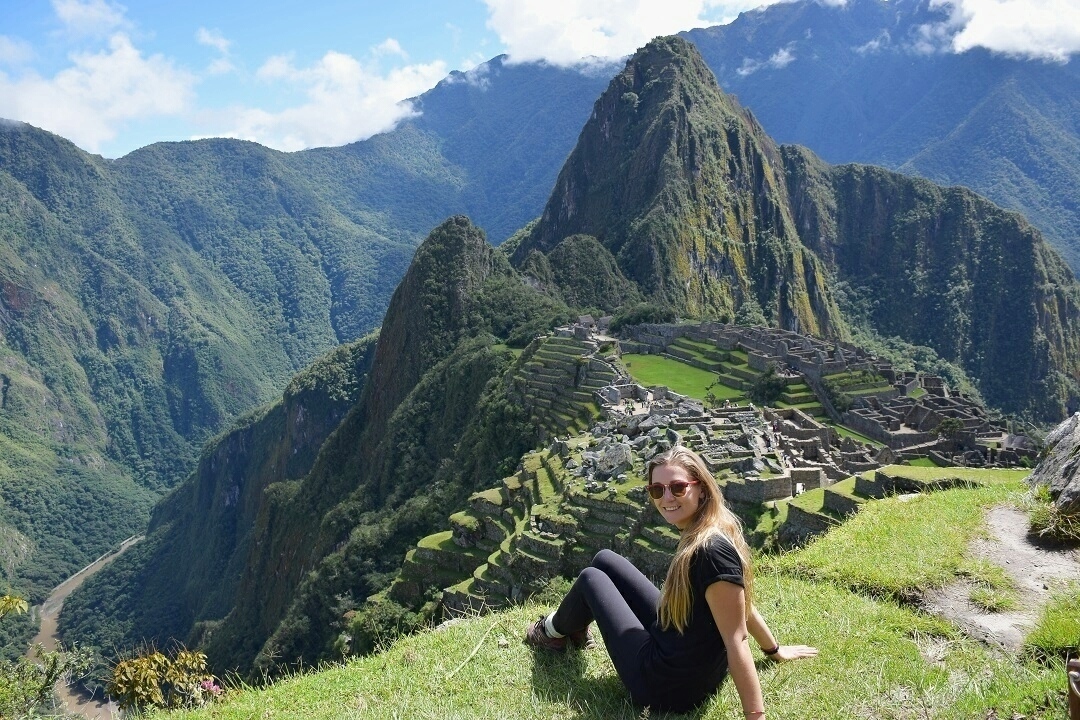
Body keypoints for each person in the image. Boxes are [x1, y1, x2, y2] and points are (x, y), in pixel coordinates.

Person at [524, 445, 818, 716]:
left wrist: (756, 715)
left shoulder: (709, 552)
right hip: (684, 658)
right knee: (604, 559)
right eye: (657, 489)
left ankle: (550, 633)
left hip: (666, 686)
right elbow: (742, 607)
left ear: (700, 489)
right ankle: (573, 629)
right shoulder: (715, 528)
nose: (666, 498)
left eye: (677, 487)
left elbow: (737, 638)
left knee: (591, 578)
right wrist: (774, 650)